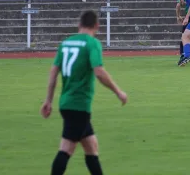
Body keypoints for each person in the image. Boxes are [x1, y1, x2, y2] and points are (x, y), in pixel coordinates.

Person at [40, 10, 128, 175]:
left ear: (79, 24)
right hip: (79, 105)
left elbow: (53, 73)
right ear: (97, 25)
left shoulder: (66, 43)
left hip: (66, 103)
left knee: (91, 146)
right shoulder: (91, 43)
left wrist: (48, 100)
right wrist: (118, 92)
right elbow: (99, 72)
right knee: (66, 149)